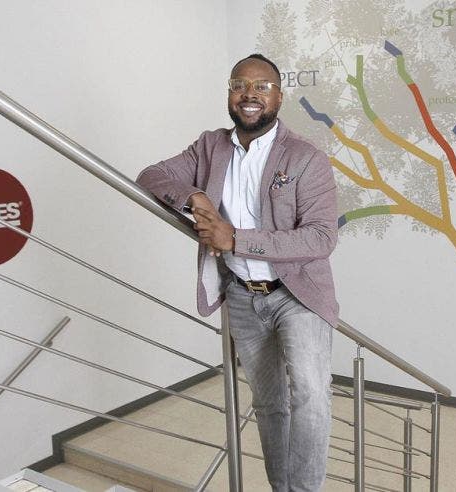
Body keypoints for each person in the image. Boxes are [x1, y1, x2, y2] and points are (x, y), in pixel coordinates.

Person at [136, 53, 338, 492]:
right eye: (240, 85)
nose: (250, 94)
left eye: (262, 87)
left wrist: (237, 239)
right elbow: (152, 175)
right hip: (243, 295)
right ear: (230, 93)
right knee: (268, 404)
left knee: (310, 394)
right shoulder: (210, 146)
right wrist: (193, 197)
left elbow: (321, 238)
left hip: (297, 295)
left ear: (279, 96)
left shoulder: (306, 158)